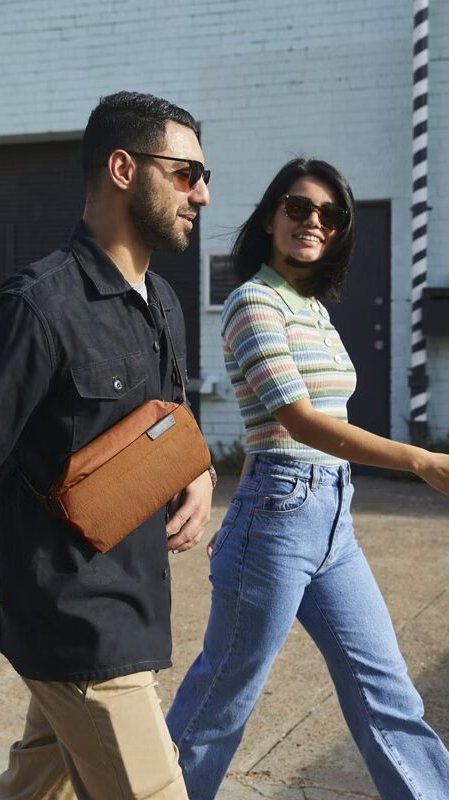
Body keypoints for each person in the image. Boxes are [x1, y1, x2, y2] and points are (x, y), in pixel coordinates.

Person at [0, 91, 215, 800]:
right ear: (122, 168)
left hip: (136, 604)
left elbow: (169, 417)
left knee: (35, 790)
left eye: (204, 177)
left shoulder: (164, 303)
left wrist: (198, 473)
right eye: (185, 174)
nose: (200, 193)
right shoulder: (36, 309)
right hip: (78, 624)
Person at [166, 157, 449, 800]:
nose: (313, 221)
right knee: (222, 700)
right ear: (272, 217)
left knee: (386, 691)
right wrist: (422, 460)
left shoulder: (313, 309)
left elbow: (291, 426)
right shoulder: (253, 302)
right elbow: (297, 420)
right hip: (279, 513)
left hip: (332, 521)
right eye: (298, 207)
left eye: (330, 214)